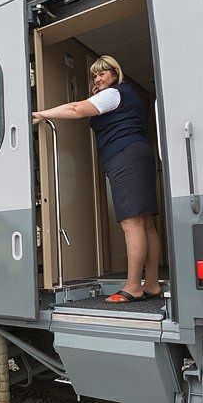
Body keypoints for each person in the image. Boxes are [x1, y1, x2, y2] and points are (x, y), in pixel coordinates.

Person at [32, 55, 161, 303]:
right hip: (139, 153)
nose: (98, 78)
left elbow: (76, 109)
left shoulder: (113, 94)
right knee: (145, 223)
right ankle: (152, 283)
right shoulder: (126, 95)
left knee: (132, 224)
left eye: (102, 73)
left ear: (115, 74)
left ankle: (134, 286)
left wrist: (41, 114)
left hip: (125, 157)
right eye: (95, 75)